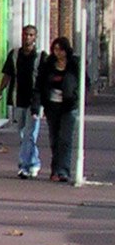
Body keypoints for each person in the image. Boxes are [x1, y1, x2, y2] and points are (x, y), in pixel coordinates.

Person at [0, 23, 48, 177]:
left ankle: (25, 166)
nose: (27, 37)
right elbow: (7, 74)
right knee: (22, 133)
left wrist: (45, 102)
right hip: (17, 99)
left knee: (30, 134)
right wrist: (0, 91)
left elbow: (46, 80)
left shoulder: (41, 57)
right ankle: (34, 162)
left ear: (35, 37)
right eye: (25, 34)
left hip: (34, 101)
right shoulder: (14, 54)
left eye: (31, 35)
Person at [37, 36, 80, 182]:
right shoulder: (48, 64)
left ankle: (64, 171)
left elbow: (82, 82)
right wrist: (38, 105)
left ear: (66, 50)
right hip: (52, 106)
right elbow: (40, 84)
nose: (58, 53)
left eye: (60, 49)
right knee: (54, 139)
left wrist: (76, 96)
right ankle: (55, 170)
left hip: (69, 107)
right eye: (55, 49)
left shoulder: (74, 65)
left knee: (65, 139)